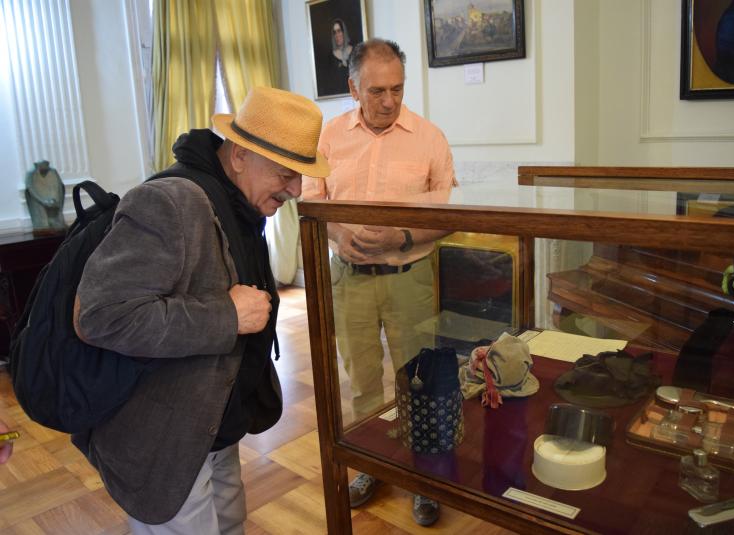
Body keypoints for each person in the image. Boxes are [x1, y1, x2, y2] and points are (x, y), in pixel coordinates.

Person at [73, 87, 329, 534]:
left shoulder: (238, 202)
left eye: (300, 175)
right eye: (286, 173)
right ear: (240, 156)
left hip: (214, 426)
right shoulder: (170, 202)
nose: (296, 189)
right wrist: (227, 317)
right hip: (164, 442)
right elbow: (100, 316)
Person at [302, 38, 457, 527]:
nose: (389, 101)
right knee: (364, 379)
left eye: (397, 89)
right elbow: (310, 202)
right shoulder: (328, 139)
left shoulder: (429, 138)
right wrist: (338, 234)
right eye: (376, 91)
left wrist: (403, 235)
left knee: (419, 380)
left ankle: (424, 479)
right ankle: (374, 465)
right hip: (350, 281)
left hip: (410, 278)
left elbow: (451, 215)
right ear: (353, 88)